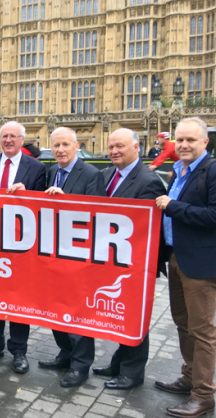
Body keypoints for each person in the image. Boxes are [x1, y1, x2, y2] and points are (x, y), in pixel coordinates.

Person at [92, 128, 165, 390]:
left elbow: (145, 228)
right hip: (111, 260)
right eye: (111, 147)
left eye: (120, 146)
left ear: (136, 147)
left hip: (136, 263)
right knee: (121, 315)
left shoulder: (148, 181)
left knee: (135, 317)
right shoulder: (107, 174)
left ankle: (132, 373)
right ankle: (118, 363)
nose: (114, 151)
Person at [0, 120, 47, 374]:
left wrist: (29, 193)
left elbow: (44, 207)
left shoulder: (36, 167)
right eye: (4, 137)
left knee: (18, 299)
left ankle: (19, 350)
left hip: (21, 246)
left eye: (13, 137)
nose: (8, 141)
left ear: (21, 140)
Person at [155, 117, 216, 418]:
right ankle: (189, 376)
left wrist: (171, 206)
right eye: (180, 140)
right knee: (182, 323)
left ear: (205, 142)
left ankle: (203, 395)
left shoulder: (212, 170)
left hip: (201, 264)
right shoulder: (179, 170)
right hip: (177, 257)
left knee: (203, 331)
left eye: (190, 140)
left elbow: (213, 216)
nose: (184, 145)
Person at [37, 127, 104, 387]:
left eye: (65, 144)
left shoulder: (91, 174)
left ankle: (80, 365)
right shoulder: (52, 172)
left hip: (78, 255)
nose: (60, 150)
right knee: (55, 307)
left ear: (76, 146)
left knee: (76, 312)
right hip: (53, 253)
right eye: (56, 146)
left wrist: (69, 203)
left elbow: (97, 214)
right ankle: (64, 353)